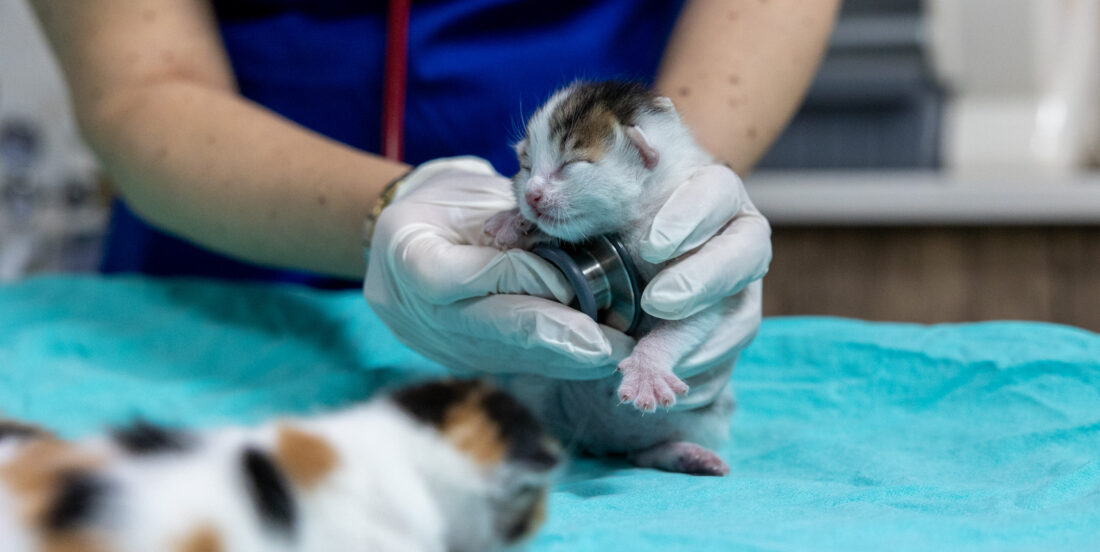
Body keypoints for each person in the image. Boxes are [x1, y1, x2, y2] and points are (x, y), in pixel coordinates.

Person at [30, 0, 839, 400]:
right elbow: (141, 86)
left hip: (598, 286)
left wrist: (677, 187)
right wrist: (403, 204)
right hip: (223, 272)